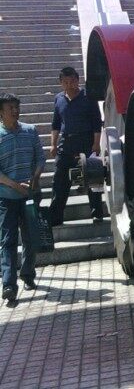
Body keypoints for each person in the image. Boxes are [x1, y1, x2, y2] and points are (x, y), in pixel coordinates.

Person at [0, 93, 46, 304]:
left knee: (30, 238)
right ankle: (9, 285)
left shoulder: (30, 130)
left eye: (16, 107)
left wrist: (35, 179)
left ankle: (28, 274)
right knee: (8, 241)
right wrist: (15, 185)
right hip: (6, 198)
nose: (15, 111)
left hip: (30, 196)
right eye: (10, 108)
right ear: (1, 113)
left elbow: (40, 158)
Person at [49, 67, 103, 226]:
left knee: (92, 177)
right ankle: (55, 216)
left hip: (86, 142)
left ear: (77, 80)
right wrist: (53, 144)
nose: (69, 85)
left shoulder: (88, 97)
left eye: (72, 81)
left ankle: (97, 213)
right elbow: (56, 124)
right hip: (66, 143)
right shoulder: (59, 99)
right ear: (61, 83)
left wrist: (96, 144)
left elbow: (96, 122)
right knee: (59, 180)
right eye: (65, 82)